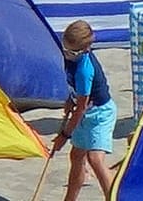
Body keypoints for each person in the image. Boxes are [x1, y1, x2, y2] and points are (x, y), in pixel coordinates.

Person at [51, 21, 115, 201]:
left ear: (86, 49)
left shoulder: (85, 70)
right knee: (77, 155)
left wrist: (64, 135)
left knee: (95, 159)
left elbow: (81, 109)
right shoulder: (71, 57)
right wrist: (69, 100)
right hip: (85, 113)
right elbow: (76, 95)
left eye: (71, 52)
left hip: (100, 114)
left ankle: (114, 197)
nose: (66, 55)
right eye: (64, 49)